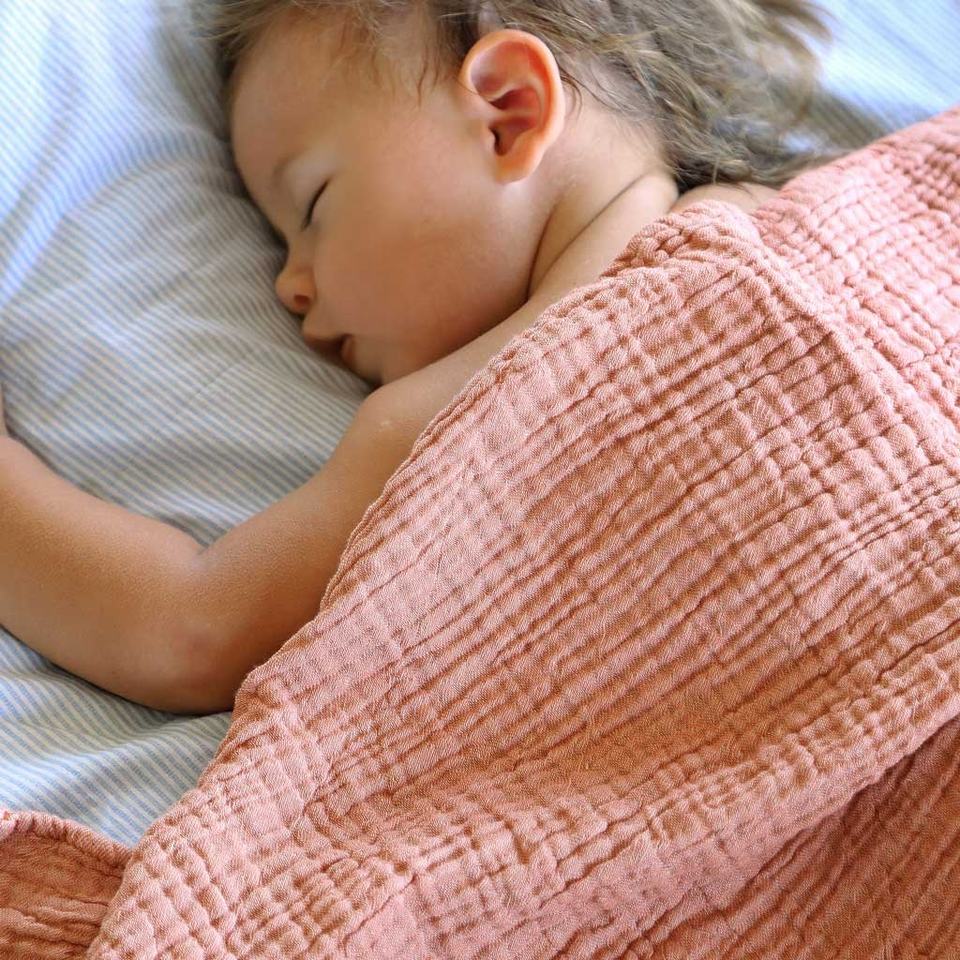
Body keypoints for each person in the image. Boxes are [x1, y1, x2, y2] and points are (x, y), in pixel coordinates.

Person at [0, 0, 830, 714]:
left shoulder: (474, 397)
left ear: (508, 112)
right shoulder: (792, 209)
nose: (288, 286)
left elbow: (191, 634)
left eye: (313, 207)